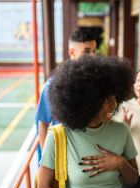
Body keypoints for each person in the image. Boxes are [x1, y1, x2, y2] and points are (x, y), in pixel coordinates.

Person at [37, 55, 139, 188]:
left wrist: (120, 163)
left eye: (115, 97)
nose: (114, 104)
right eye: (106, 99)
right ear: (87, 102)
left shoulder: (122, 131)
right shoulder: (58, 136)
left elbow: (133, 179)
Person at [35, 28, 97, 158]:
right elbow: (43, 123)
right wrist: (47, 159)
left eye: (94, 51)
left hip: (89, 154)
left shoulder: (96, 81)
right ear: (71, 52)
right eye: (86, 51)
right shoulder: (53, 85)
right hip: (64, 156)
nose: (92, 56)